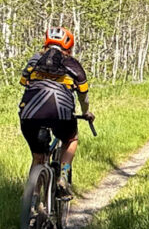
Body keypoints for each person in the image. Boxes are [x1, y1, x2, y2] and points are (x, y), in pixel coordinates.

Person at [18, 26, 94, 198]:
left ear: (46, 42)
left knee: (38, 156)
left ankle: (31, 197)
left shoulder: (35, 60)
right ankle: (63, 178)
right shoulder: (73, 64)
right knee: (71, 139)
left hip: (29, 114)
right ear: (69, 46)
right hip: (61, 113)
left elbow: (24, 82)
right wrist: (86, 111)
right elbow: (84, 95)